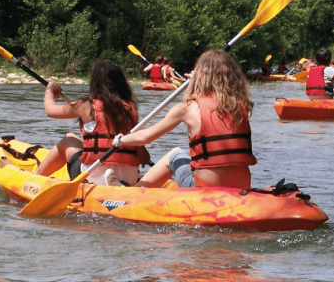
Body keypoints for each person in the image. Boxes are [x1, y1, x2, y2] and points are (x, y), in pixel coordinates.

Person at [112, 49, 257, 190]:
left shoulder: (188, 107)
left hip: (205, 188)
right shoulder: (241, 104)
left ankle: (136, 192)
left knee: (175, 154)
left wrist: (120, 140)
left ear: (200, 76)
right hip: (242, 186)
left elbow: (145, 137)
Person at [34, 60, 150, 186]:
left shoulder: (86, 106)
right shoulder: (130, 109)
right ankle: (118, 182)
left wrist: (49, 90)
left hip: (93, 178)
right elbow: (144, 158)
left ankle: (35, 178)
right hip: (129, 179)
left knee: (69, 139)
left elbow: (50, 111)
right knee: (77, 140)